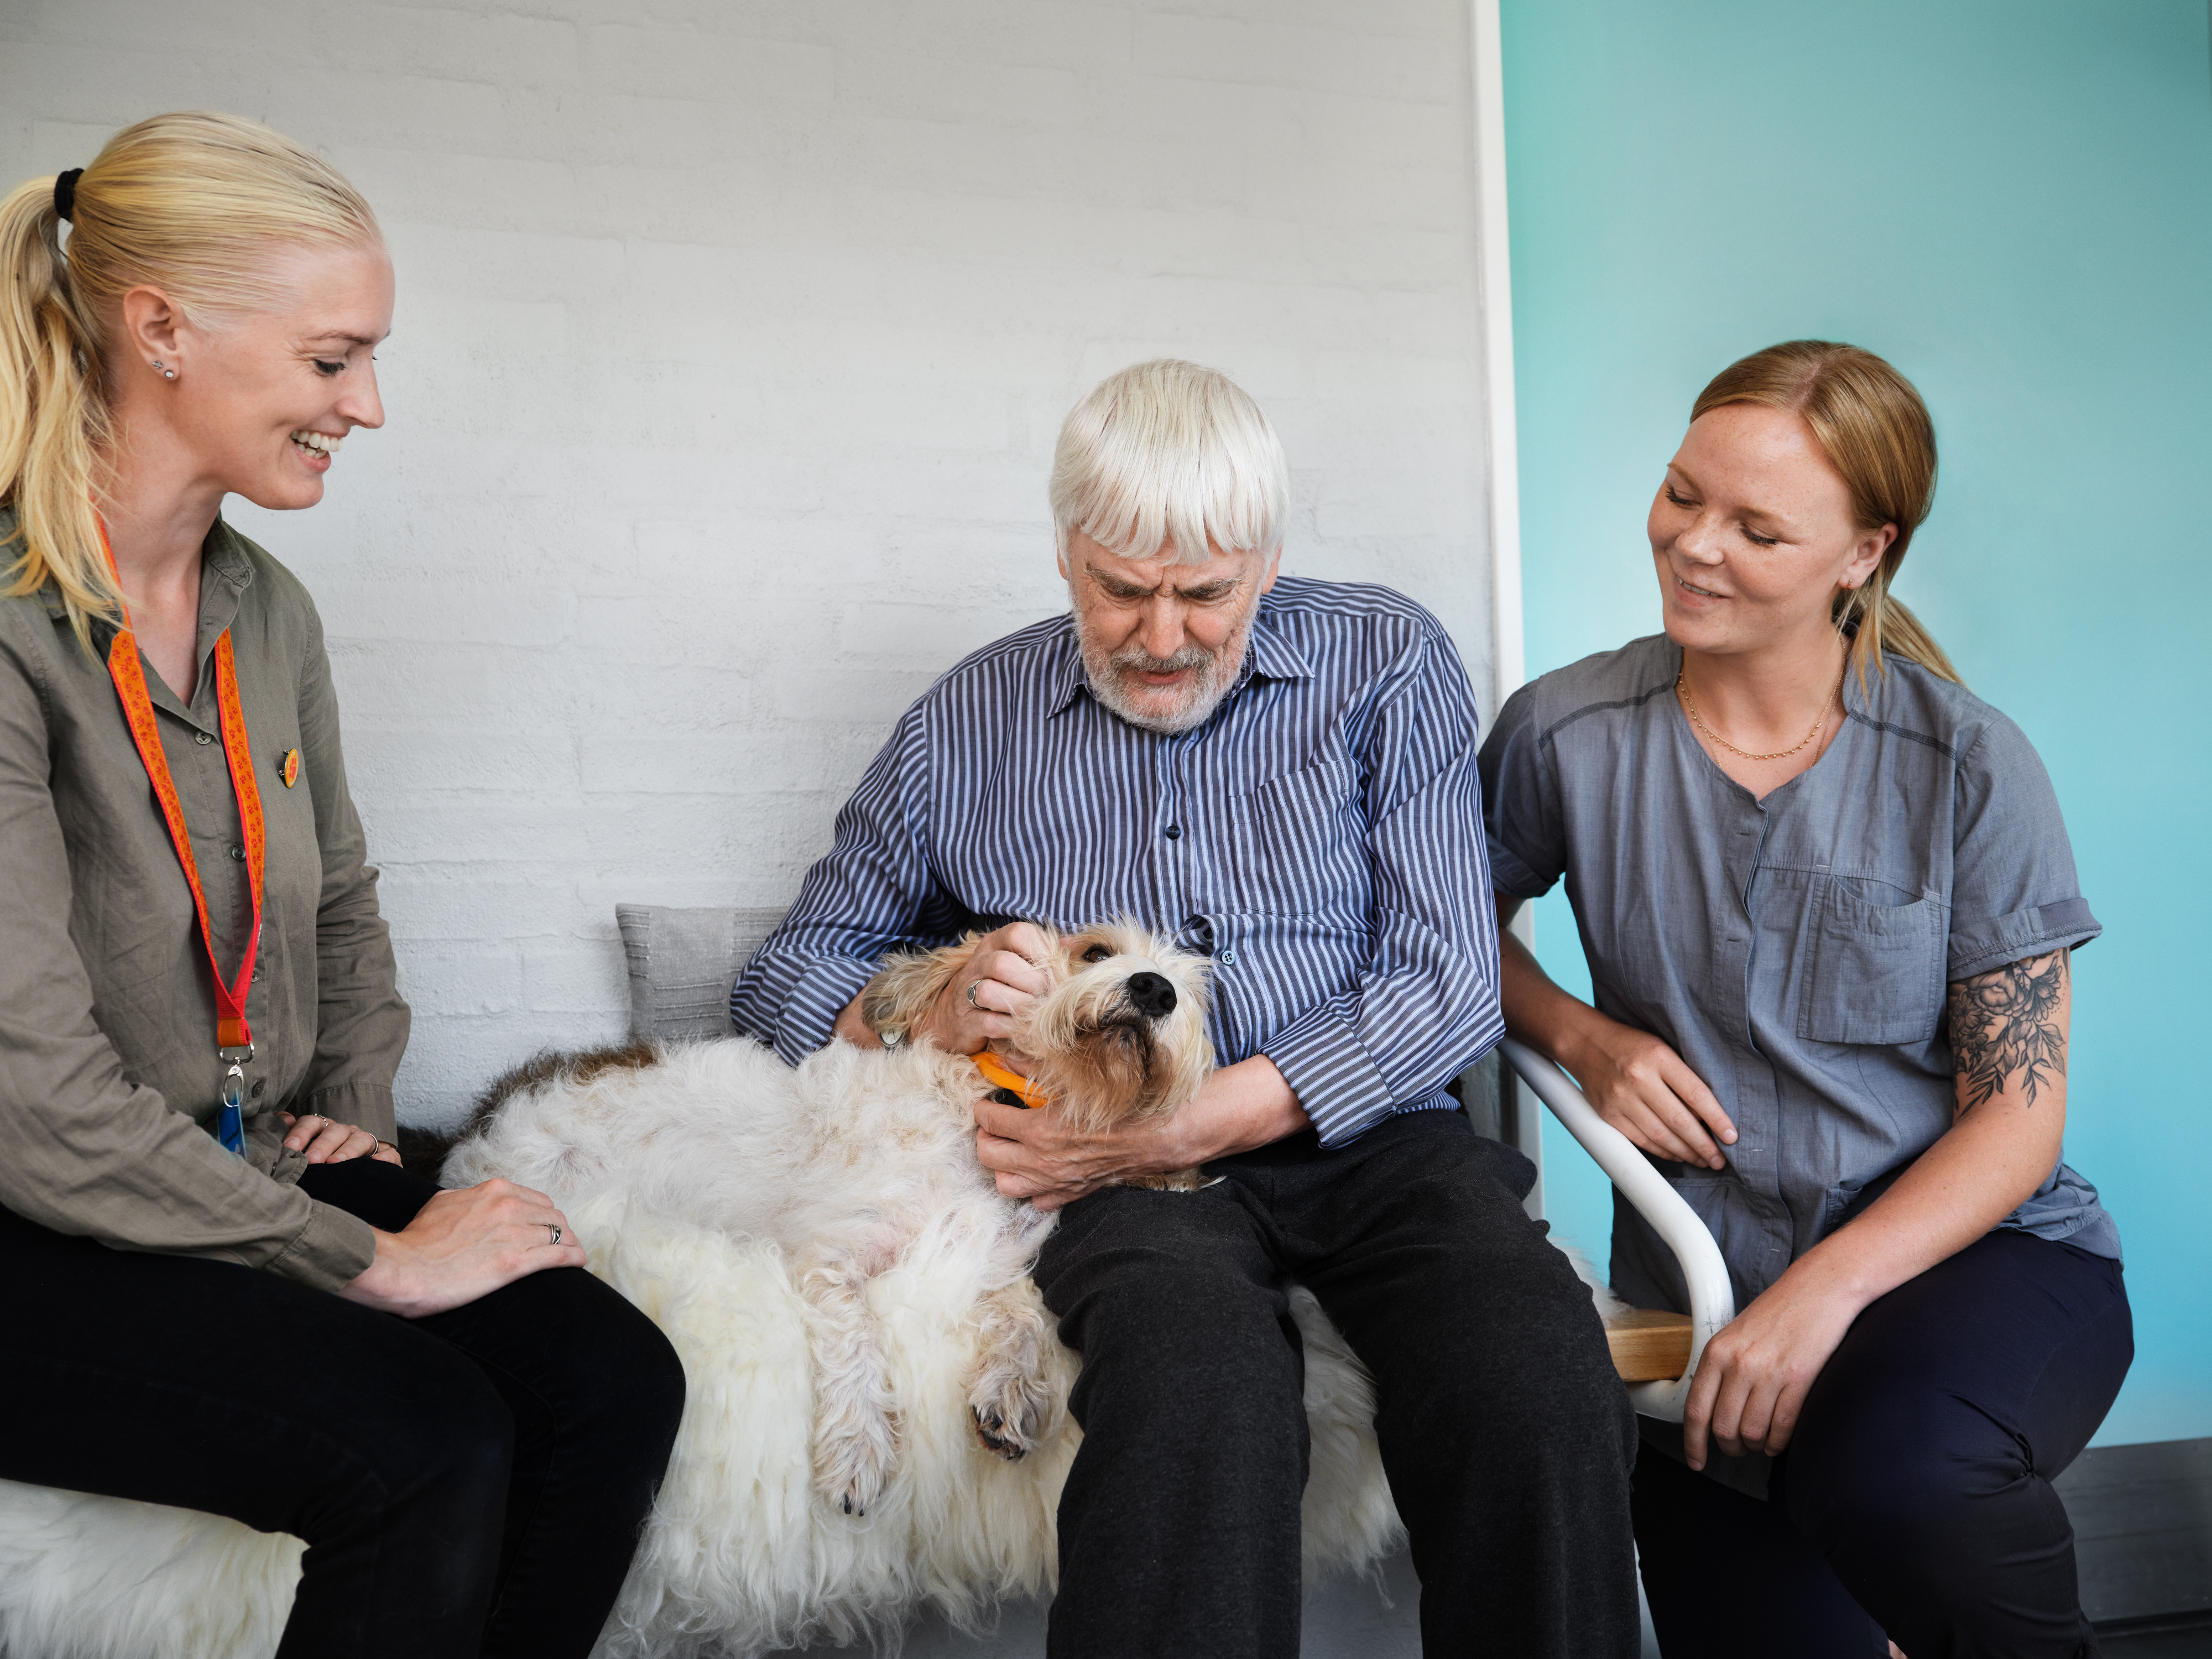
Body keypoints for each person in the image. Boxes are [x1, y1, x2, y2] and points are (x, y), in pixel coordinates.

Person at [733, 358, 1640, 1658]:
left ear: (1264, 563)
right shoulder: (964, 723)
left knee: (1530, 1369)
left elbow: (1445, 979)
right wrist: (919, 1007)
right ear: (1064, 554)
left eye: (1204, 594)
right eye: (1121, 591)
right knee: (1191, 1382)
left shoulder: (1385, 662)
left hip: (1371, 1146)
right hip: (1098, 1170)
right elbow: (784, 975)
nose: (1161, 638)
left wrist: (1196, 1123)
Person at [0, 113, 685, 1658]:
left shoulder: (265, 607)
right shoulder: (7, 630)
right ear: (159, 329)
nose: (365, 407)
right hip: (33, 1214)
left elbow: (341, 906)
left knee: (619, 1384)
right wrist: (378, 1258)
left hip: (238, 1158)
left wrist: (360, 1103)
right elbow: (34, 1105)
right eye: (331, 360)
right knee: (420, 1442)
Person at [1480, 340, 2130, 1658]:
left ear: (1861, 554)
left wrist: (1821, 1297)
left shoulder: (1967, 764)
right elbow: (1437, 939)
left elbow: (2016, 1117)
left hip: (1973, 1266)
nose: (1692, 546)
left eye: (1756, 528)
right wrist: (1580, 1035)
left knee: (1897, 1483)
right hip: (1704, 1297)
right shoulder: (1560, 735)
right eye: (1679, 495)